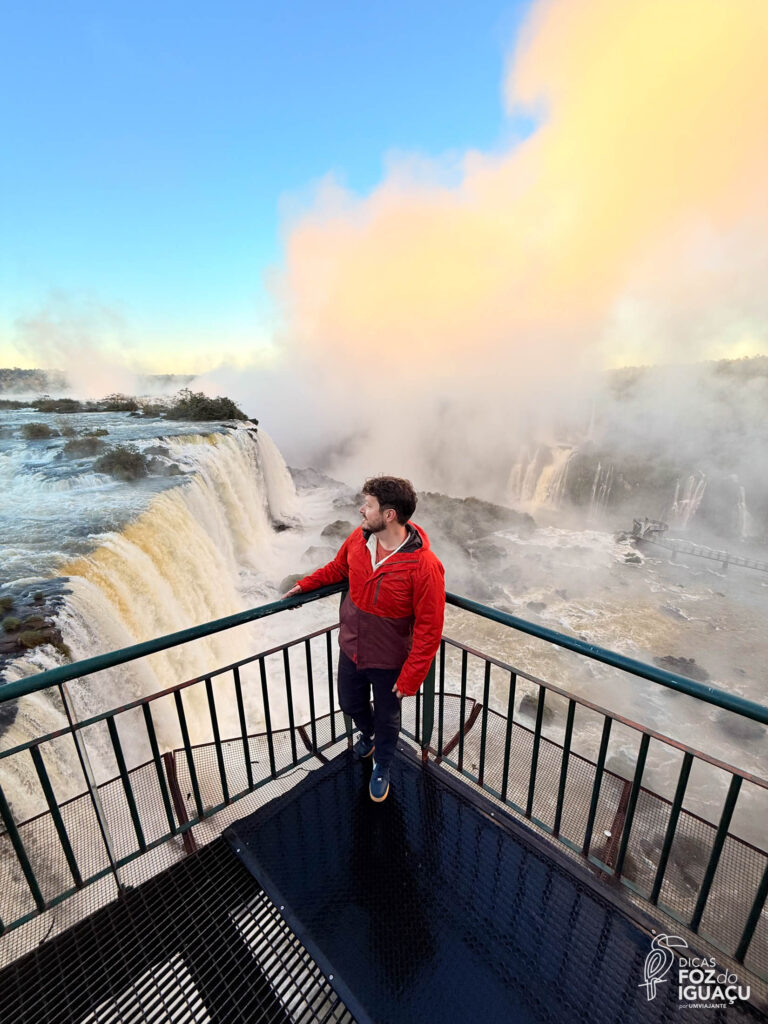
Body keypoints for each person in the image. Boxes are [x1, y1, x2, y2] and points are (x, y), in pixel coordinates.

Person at [284, 476, 445, 802]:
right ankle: (370, 736)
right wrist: (305, 585)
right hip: (353, 647)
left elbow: (430, 628)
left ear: (388, 515)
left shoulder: (424, 566)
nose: (361, 510)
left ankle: (382, 764)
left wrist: (412, 676)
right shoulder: (359, 540)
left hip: (389, 659)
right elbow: (337, 568)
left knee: (388, 716)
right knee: (350, 702)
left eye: (368, 505)